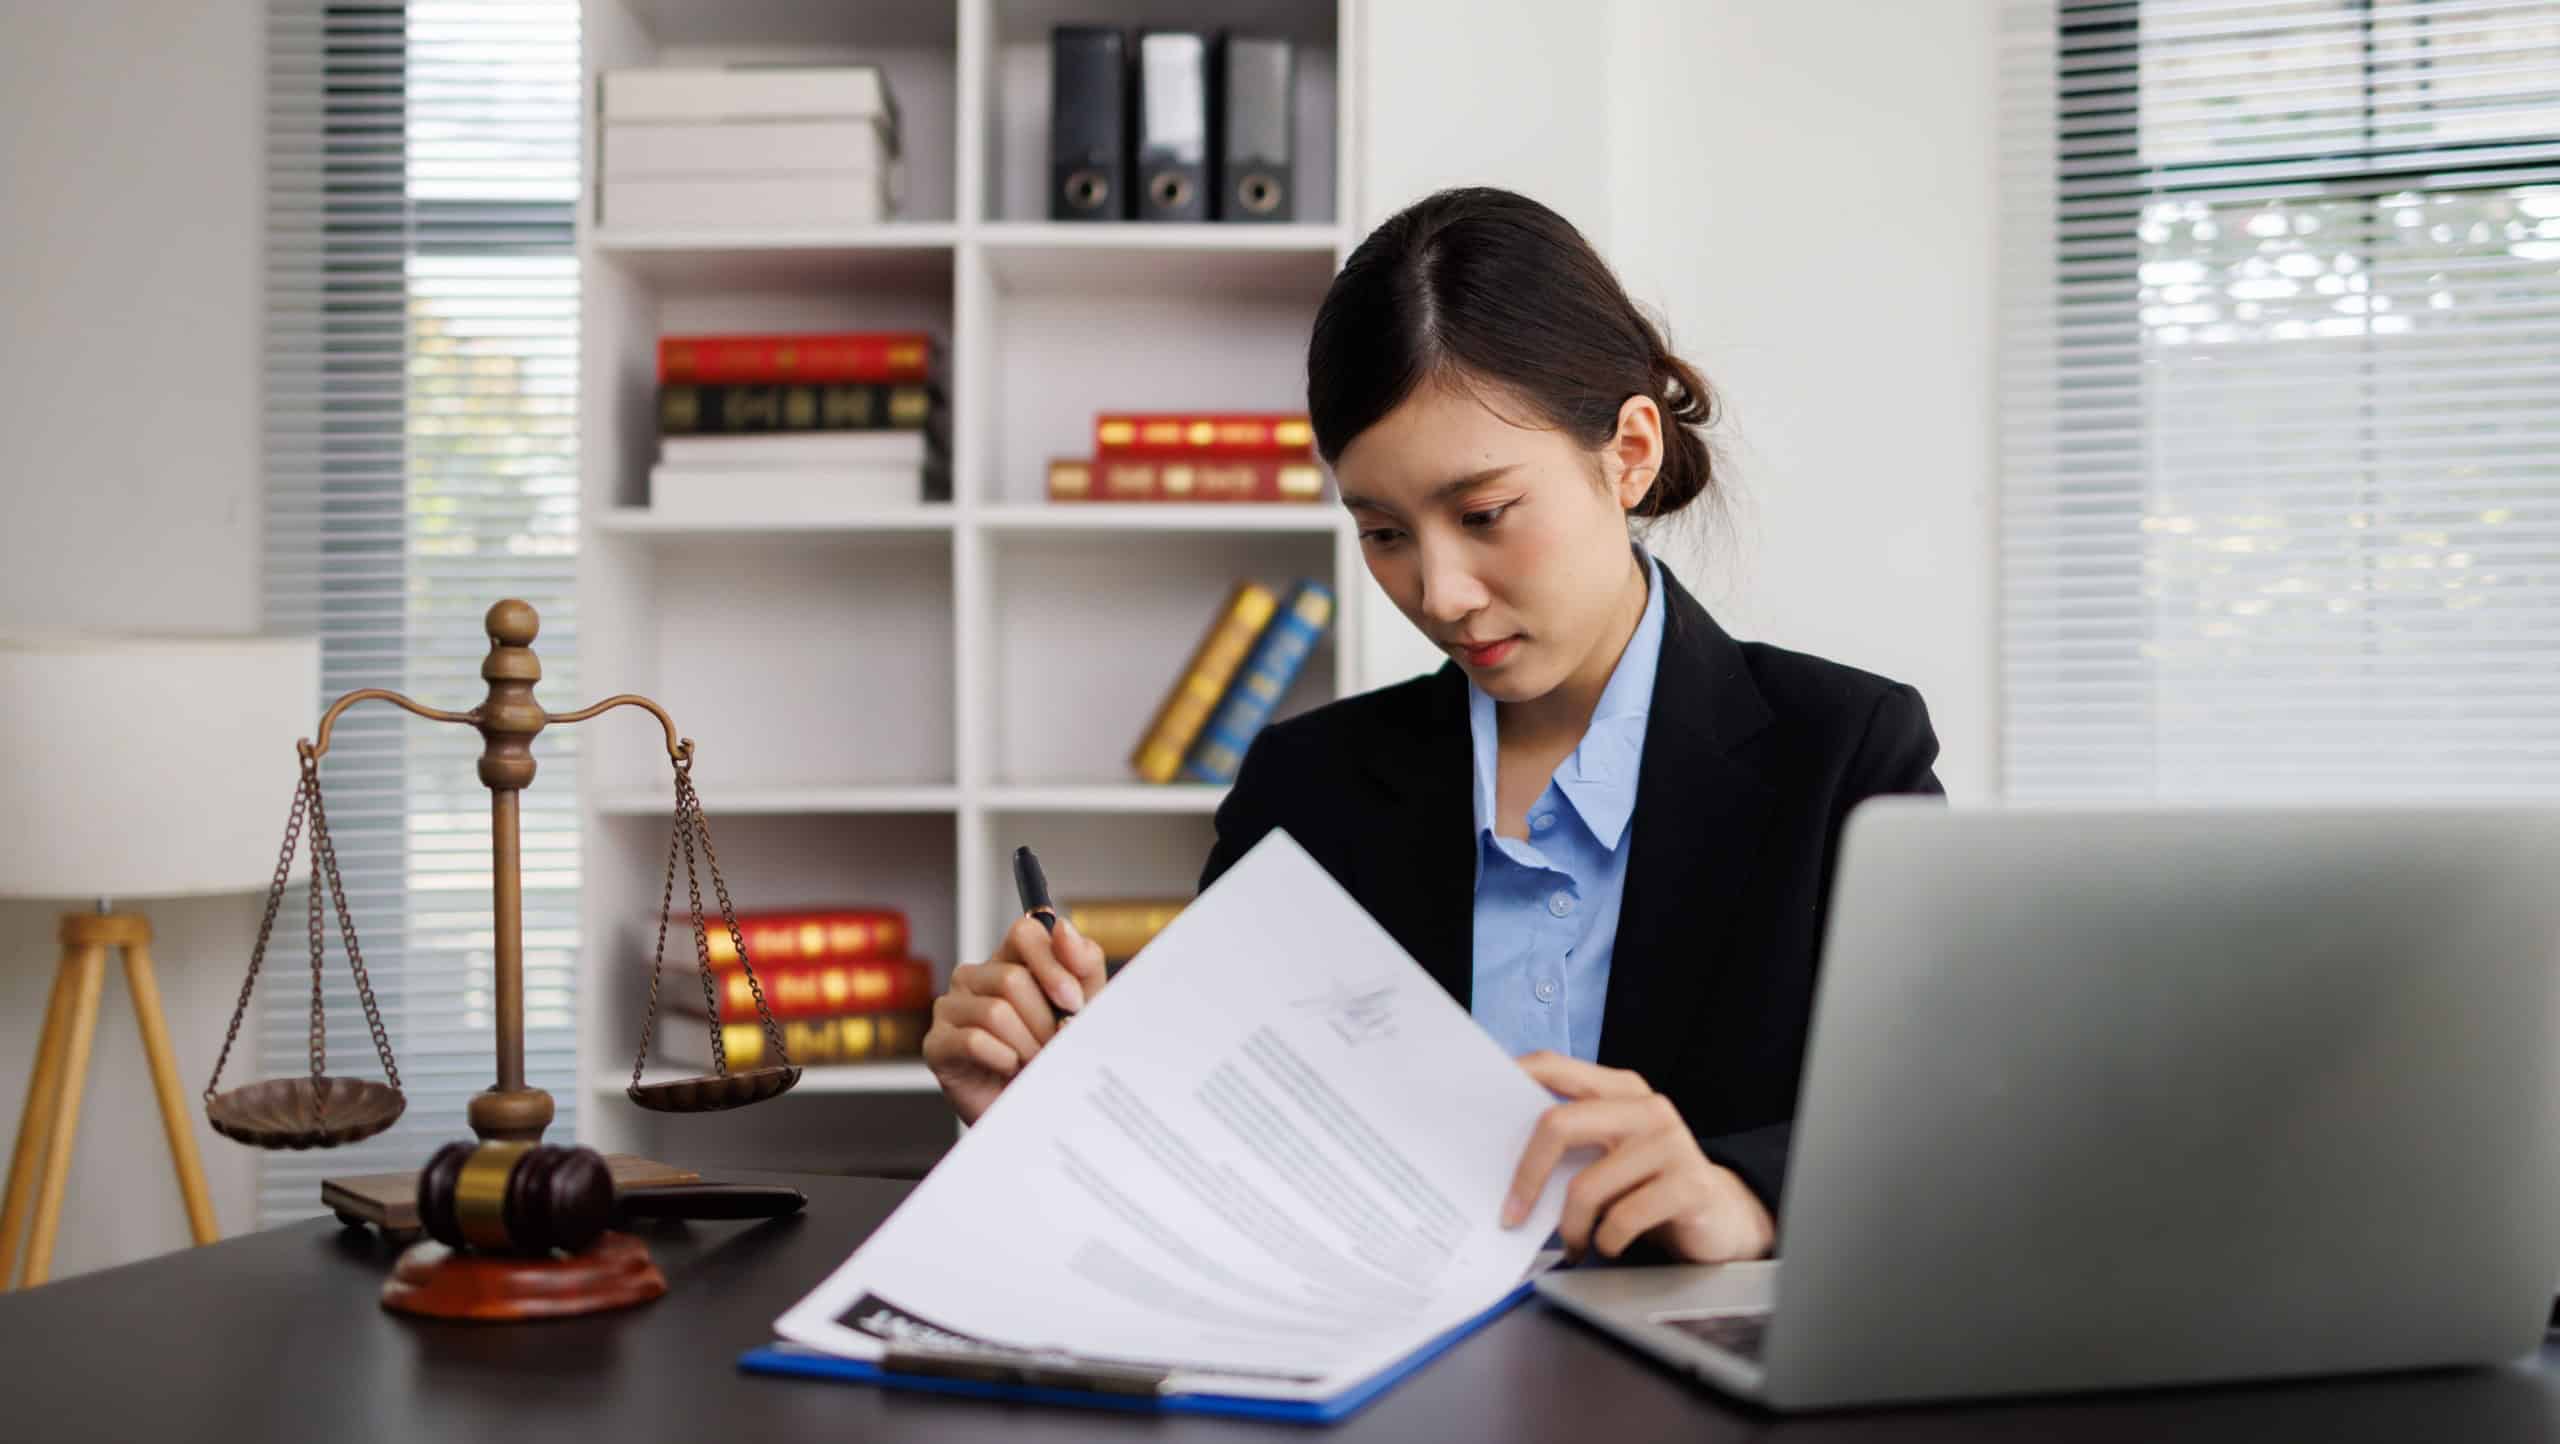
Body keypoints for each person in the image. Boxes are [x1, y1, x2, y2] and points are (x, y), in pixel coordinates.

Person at [923, 186, 1944, 1266]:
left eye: (1484, 515)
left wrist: (1746, 1195)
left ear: (1629, 452)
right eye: (1382, 531)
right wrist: (1046, 1110)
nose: (1440, 591)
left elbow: (1945, 1126)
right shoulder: (1302, 785)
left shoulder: (1843, 751)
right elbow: (1229, 1168)